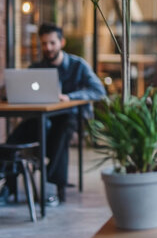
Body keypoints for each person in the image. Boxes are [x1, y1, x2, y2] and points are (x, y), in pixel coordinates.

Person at [0, 22, 106, 205]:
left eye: (52, 43)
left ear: (61, 42)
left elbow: (98, 91)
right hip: (40, 118)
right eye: (44, 44)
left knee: (62, 132)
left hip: (67, 118)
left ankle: (50, 185)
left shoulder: (77, 65)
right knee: (14, 139)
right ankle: (7, 187)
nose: (48, 48)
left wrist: (70, 96)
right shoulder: (36, 68)